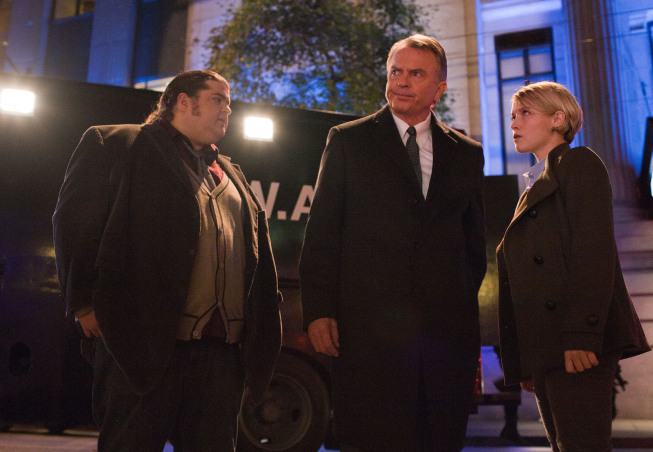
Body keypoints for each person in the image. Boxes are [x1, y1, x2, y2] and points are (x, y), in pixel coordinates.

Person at [53, 70, 282, 451]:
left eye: (229, 102)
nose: (228, 109)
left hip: (218, 354)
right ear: (182, 101)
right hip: (141, 343)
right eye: (218, 99)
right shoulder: (116, 144)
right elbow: (73, 224)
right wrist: (83, 302)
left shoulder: (230, 171)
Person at [300, 34, 486, 452]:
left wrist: (448, 299)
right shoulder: (348, 140)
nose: (401, 81)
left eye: (415, 73)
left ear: (438, 88)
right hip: (367, 336)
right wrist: (319, 310)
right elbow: (323, 232)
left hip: (443, 342)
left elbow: (473, 246)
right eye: (395, 71)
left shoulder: (467, 153)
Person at [497, 81, 650, 451]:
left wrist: (582, 336)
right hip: (550, 346)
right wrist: (529, 360)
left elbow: (592, 254)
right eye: (513, 115)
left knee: (582, 446)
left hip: (576, 343)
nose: (514, 123)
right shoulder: (535, 185)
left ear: (558, 119)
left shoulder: (578, 163)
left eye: (525, 113)